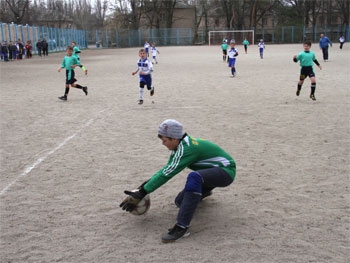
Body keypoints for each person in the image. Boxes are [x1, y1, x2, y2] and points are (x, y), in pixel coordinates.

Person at [120, 119, 236, 243]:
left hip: (226, 172)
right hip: (210, 173)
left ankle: (182, 227)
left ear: (174, 139)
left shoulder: (187, 149)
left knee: (194, 177)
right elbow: (166, 170)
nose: (163, 143)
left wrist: (143, 192)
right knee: (180, 202)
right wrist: (141, 189)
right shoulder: (180, 146)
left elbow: (167, 174)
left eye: (164, 140)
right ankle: (204, 191)